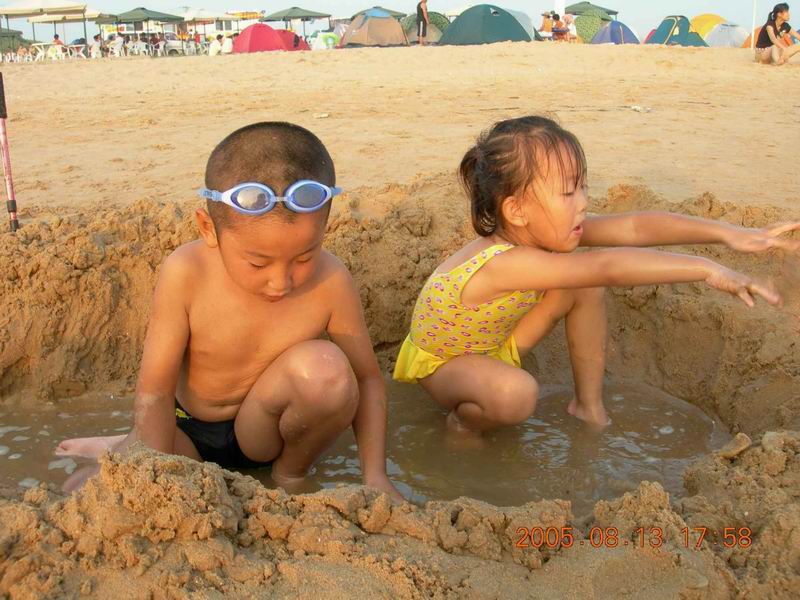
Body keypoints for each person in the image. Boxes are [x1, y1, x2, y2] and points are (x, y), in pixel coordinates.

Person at [56, 122, 402, 502]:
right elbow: (155, 391)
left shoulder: (332, 281)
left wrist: (375, 475)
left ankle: (289, 475)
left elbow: (367, 379)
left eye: (305, 257)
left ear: (323, 227)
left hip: (262, 437)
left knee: (328, 371)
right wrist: (146, 472)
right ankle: (122, 442)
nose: (280, 282)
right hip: (187, 431)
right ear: (208, 229)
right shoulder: (186, 272)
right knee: (87, 487)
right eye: (257, 263)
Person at [393, 116, 798, 433]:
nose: (584, 203)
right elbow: (608, 265)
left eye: (583, 187)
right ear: (516, 210)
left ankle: (589, 407)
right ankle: (464, 424)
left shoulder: (541, 230)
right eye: (568, 193)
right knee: (517, 393)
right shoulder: (503, 262)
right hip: (444, 365)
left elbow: (635, 228)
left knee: (583, 285)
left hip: (493, 347)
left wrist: (729, 233)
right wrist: (707, 269)